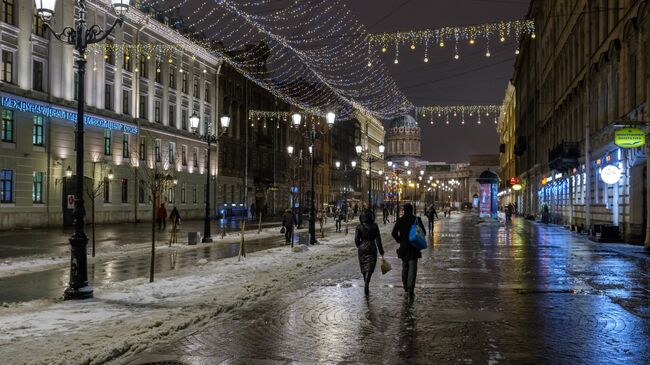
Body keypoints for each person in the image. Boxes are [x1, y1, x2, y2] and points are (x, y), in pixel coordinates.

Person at [392, 203, 425, 300]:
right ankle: (411, 289)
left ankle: (406, 287)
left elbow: (394, 233)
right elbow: (424, 232)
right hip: (414, 247)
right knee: (413, 269)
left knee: (405, 267)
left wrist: (400, 240)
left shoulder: (400, 220)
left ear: (404, 210)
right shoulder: (416, 220)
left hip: (404, 247)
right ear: (412, 210)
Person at [355, 209, 384, 296]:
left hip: (362, 248)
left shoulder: (359, 227)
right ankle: (367, 282)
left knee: (363, 266)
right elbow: (378, 241)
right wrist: (381, 251)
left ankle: (366, 281)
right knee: (370, 267)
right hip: (372, 247)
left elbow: (356, 240)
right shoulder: (375, 226)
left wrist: (360, 246)